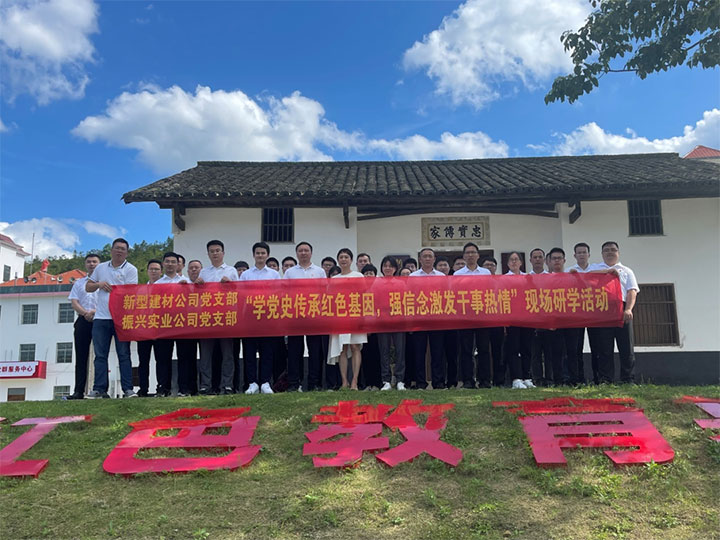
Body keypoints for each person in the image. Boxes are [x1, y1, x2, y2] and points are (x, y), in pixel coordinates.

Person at [85, 238, 138, 399]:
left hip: (121, 318)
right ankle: (99, 389)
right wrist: (99, 284)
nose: (119, 251)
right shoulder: (100, 268)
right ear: (111, 250)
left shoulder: (131, 269)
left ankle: (128, 389)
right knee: (100, 355)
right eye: (117, 248)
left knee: (124, 354)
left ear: (127, 253)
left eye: (123, 249)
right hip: (101, 317)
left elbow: (131, 292)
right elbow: (88, 287)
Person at [591, 241, 640, 383]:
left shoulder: (627, 271)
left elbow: (632, 291)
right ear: (602, 254)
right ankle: (606, 379)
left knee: (626, 347)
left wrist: (628, 309)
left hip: (622, 310)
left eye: (613, 250)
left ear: (618, 253)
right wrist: (607, 272)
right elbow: (585, 277)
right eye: (606, 250)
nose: (610, 252)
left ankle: (628, 378)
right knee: (604, 348)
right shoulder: (595, 268)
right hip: (603, 310)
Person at [195, 240, 238, 394]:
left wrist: (231, 284)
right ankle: (205, 385)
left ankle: (227, 384)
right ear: (208, 254)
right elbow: (198, 296)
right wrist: (197, 285)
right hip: (207, 317)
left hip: (225, 317)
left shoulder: (231, 271)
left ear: (223, 253)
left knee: (227, 354)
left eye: (217, 250)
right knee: (206, 354)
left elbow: (239, 293)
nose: (215, 253)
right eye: (212, 251)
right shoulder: (204, 272)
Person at [283, 241, 326, 391]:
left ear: (311, 253)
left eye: (306, 250)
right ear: (296, 254)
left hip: (314, 315)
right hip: (295, 315)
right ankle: (295, 383)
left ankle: (314, 383)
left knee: (315, 351)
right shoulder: (290, 272)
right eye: (300, 251)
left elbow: (324, 293)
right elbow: (285, 293)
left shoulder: (320, 271)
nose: (303, 253)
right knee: (295, 350)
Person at [240, 241, 280, 395]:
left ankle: (265, 382)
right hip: (250, 317)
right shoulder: (246, 274)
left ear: (267, 255)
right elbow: (241, 295)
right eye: (258, 253)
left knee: (267, 351)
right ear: (253, 255)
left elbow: (278, 294)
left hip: (267, 317)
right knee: (249, 351)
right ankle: (252, 383)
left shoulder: (274, 274)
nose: (260, 256)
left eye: (263, 253)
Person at [328, 248, 367, 390]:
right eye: (341, 257)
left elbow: (363, 297)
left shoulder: (358, 276)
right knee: (342, 348)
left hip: (355, 315)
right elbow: (330, 299)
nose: (343, 259)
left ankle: (354, 381)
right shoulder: (334, 279)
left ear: (351, 260)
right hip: (340, 317)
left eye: (346, 257)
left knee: (355, 346)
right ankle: (344, 381)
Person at [454, 242, 492, 388]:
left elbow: (490, 292)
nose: (470, 255)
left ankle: (485, 380)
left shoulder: (486, 273)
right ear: (464, 256)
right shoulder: (457, 274)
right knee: (466, 350)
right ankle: (468, 380)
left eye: (473, 252)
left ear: (478, 255)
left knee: (483, 349)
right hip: (465, 316)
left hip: (482, 315)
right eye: (467, 253)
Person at [409, 248, 446, 389]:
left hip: (437, 319)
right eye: (424, 256)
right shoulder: (413, 276)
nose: (427, 259)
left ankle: (438, 382)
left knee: (437, 352)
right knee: (419, 352)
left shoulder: (441, 276)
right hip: (419, 319)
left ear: (434, 259)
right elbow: (409, 296)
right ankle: (420, 382)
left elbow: (446, 296)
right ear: (420, 259)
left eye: (430, 256)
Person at [66, 253, 100, 399]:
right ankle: (79, 391)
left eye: (94, 262)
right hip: (82, 320)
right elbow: (74, 302)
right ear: (85, 264)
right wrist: (85, 313)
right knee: (81, 357)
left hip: (100, 320)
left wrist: (94, 312)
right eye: (89, 262)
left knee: (101, 356)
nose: (91, 264)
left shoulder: (104, 283)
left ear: (99, 264)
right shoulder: (79, 283)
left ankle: (100, 389)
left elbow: (109, 302)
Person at [153, 252, 184, 396]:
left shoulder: (186, 282)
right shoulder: (157, 284)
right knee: (163, 358)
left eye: (173, 262)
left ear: (178, 264)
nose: (170, 264)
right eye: (167, 261)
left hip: (183, 323)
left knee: (184, 357)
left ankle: (184, 388)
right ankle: (163, 388)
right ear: (163, 264)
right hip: (163, 324)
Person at [547, 247, 579, 385]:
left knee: (572, 351)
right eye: (554, 258)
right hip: (555, 320)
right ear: (549, 261)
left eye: (559, 258)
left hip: (571, 320)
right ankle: (558, 380)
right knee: (556, 352)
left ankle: (573, 379)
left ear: (564, 260)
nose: (557, 261)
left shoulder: (571, 277)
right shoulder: (546, 279)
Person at [504, 251, 534, 389]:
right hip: (512, 319)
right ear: (508, 263)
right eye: (511, 259)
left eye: (516, 259)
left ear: (521, 262)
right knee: (514, 348)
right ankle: (516, 378)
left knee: (527, 348)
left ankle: (527, 377)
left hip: (527, 318)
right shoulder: (504, 279)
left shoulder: (528, 278)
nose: (514, 262)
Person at [377, 256, 406, 391]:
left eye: (390, 266)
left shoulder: (401, 284)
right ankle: (386, 380)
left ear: (395, 268)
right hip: (382, 321)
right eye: (385, 266)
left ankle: (400, 380)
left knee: (400, 351)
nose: (387, 268)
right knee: (384, 351)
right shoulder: (377, 283)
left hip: (398, 321)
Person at [137, 259, 164, 396]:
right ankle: (143, 389)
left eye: (156, 269)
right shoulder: (140, 290)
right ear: (147, 271)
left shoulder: (166, 289)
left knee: (161, 360)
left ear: (161, 272)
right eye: (151, 269)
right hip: (144, 328)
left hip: (161, 328)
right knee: (143, 361)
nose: (154, 271)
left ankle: (161, 387)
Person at [567, 242, 592, 383]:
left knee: (598, 347)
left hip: (594, 313)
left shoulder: (596, 270)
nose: (582, 255)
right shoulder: (569, 272)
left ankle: (600, 378)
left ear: (589, 254)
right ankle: (577, 378)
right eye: (579, 252)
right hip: (576, 314)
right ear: (574, 255)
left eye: (584, 252)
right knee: (575, 348)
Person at [434, 255, 459, 388]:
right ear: (436, 268)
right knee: (438, 354)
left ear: (450, 268)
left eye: (445, 265)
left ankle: (452, 381)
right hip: (437, 323)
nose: (443, 268)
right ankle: (438, 381)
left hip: (453, 323)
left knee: (452, 354)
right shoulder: (431, 282)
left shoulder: (455, 281)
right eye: (440, 265)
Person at [482, 256, 506, 386]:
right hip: (482, 322)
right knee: (483, 351)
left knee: (498, 352)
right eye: (486, 265)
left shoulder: (501, 281)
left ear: (496, 267)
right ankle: (484, 379)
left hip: (497, 321)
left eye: (492, 265)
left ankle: (499, 380)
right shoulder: (477, 282)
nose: (489, 267)